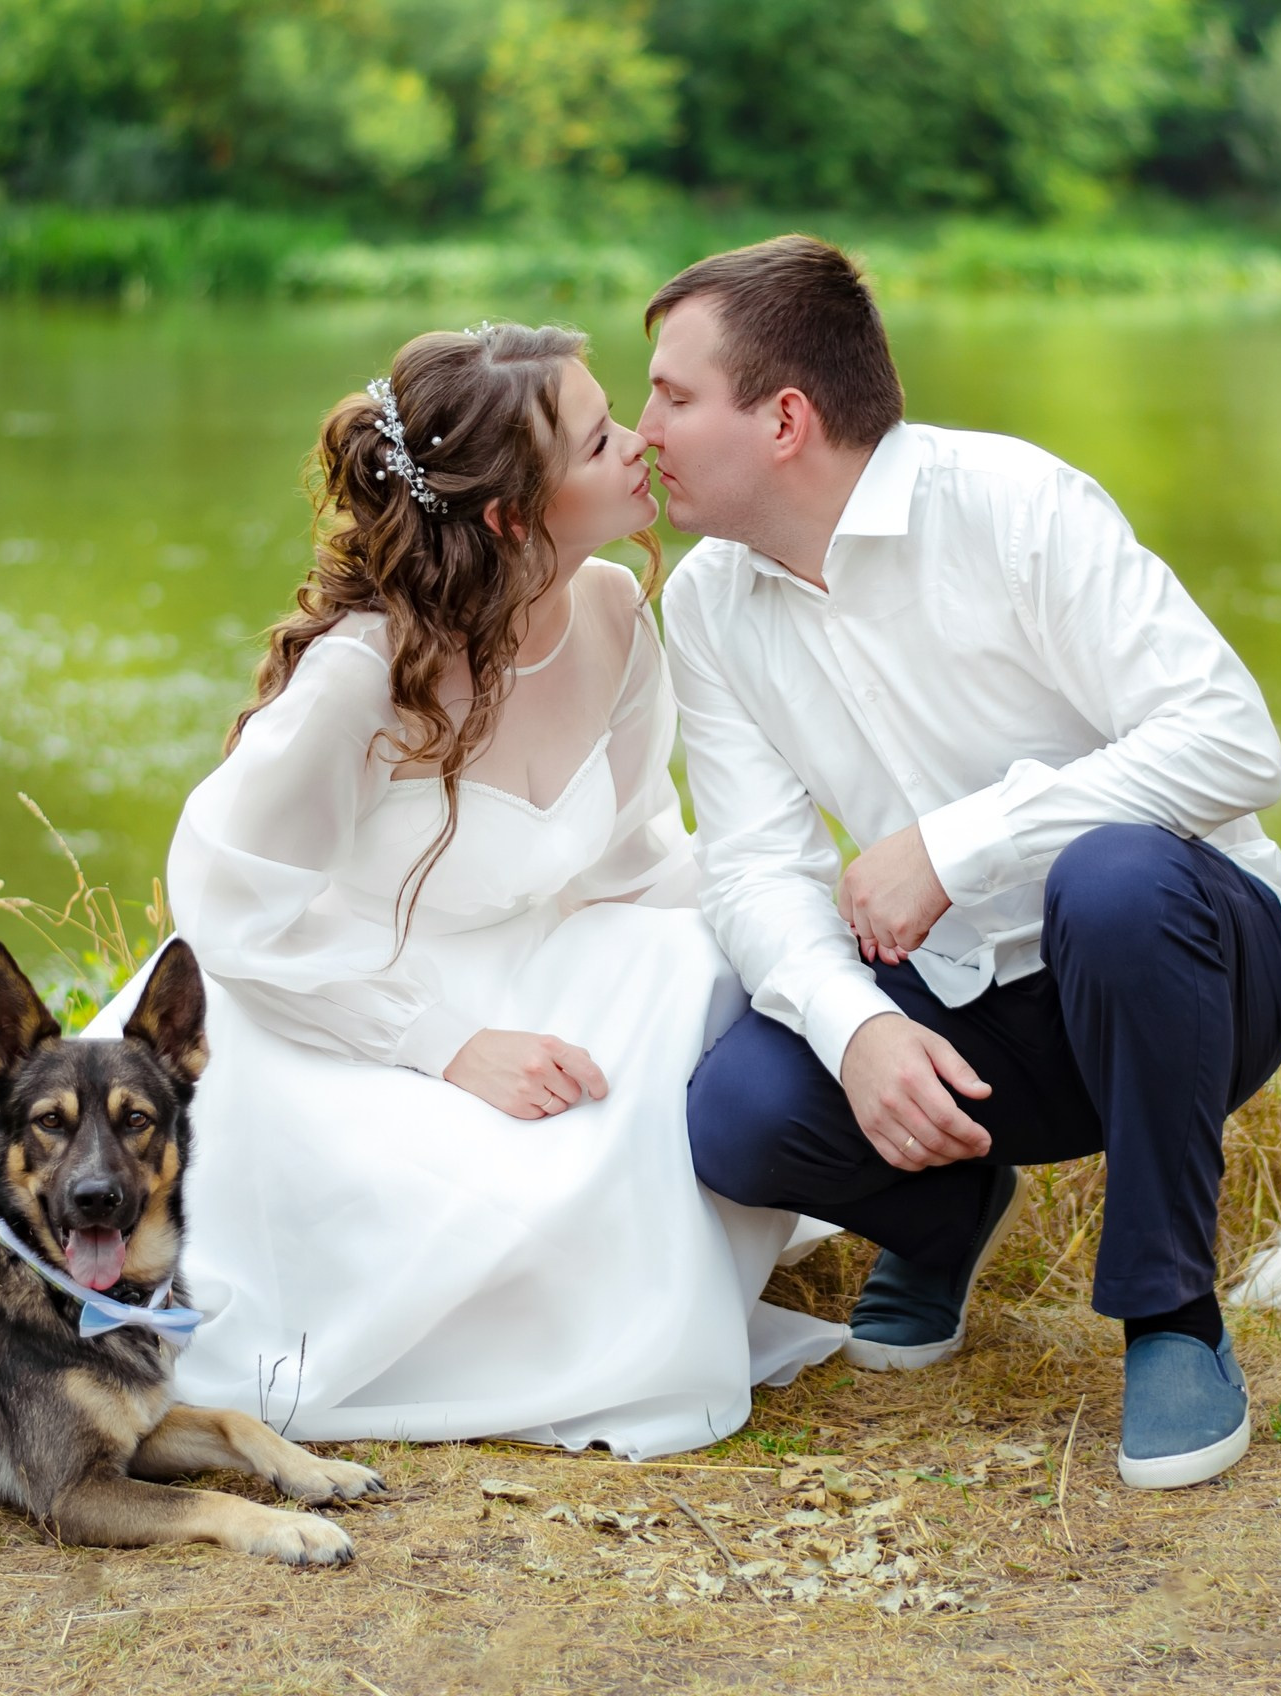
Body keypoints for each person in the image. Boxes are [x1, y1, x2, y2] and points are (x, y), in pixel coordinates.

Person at [88, 322, 843, 1459]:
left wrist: (803, 915)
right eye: (600, 442)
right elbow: (231, 906)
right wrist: (444, 1041)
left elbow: (634, 862)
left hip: (536, 961)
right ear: (510, 514)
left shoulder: (618, 617)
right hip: (333, 1008)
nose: (641, 443)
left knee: (699, 962)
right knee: (484, 1196)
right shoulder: (363, 673)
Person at [645, 237, 1281, 1489]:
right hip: (965, 1009)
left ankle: (1172, 1316)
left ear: (783, 418)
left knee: (1111, 881)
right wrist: (856, 1033)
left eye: (672, 396)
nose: (643, 432)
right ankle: (944, 1212)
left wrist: (958, 846)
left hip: (1192, 971)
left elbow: (1232, 741)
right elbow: (751, 870)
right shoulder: (708, 604)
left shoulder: (1013, 504)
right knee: (738, 1114)